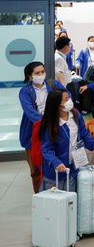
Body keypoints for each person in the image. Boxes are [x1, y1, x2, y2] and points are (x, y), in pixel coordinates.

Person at [38, 89, 94, 192]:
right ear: (58, 105)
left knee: (71, 202)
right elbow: (46, 149)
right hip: (55, 174)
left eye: (69, 97)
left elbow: (84, 135)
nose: (70, 101)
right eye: (66, 99)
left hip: (72, 169)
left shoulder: (75, 114)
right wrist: (56, 163)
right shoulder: (50, 124)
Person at [19, 62, 65, 193]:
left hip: (55, 131)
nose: (41, 75)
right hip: (33, 134)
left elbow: (66, 97)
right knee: (35, 170)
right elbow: (30, 113)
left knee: (55, 163)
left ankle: (57, 192)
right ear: (30, 76)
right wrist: (47, 123)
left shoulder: (53, 84)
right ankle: (39, 196)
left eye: (42, 72)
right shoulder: (25, 92)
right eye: (37, 73)